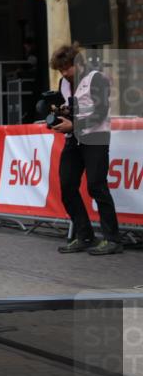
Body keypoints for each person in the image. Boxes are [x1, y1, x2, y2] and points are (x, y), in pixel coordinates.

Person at [49, 45, 121, 255]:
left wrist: (74, 124)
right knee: (67, 186)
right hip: (73, 139)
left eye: (66, 68)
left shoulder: (96, 78)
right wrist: (61, 114)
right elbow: (72, 108)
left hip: (96, 137)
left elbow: (101, 111)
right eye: (60, 70)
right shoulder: (64, 82)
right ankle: (85, 235)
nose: (63, 73)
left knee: (96, 186)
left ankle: (113, 239)